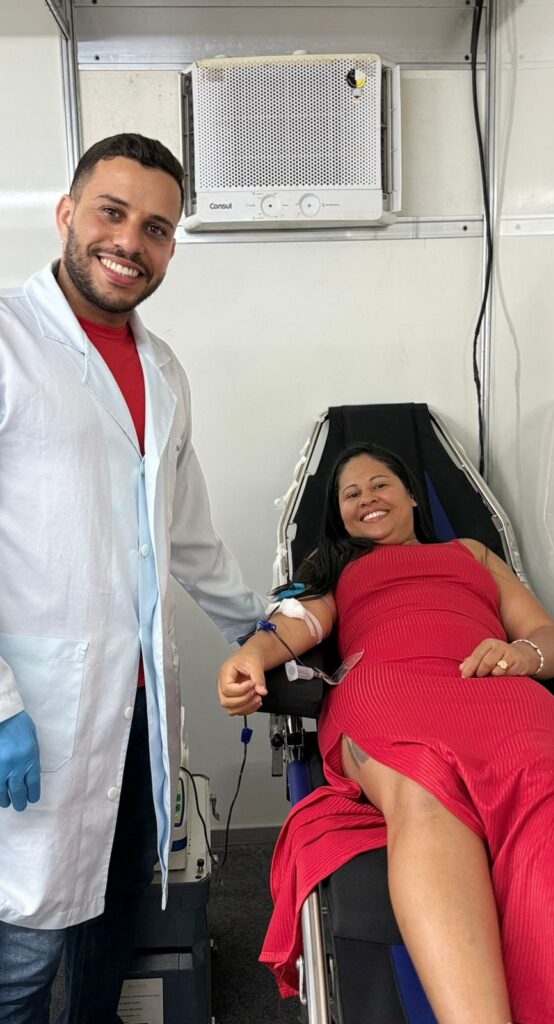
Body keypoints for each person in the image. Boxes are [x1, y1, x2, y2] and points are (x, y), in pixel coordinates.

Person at [0, 132, 264, 1024]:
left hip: (138, 706)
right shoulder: (8, 339)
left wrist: (263, 628)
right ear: (67, 213)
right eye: (111, 213)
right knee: (22, 954)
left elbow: (186, 536)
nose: (130, 242)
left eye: (156, 228)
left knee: (115, 915)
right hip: (33, 711)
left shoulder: (163, 368)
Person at [218, 442, 554, 1024]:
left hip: (494, 687)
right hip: (389, 688)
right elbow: (298, 620)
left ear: (411, 495)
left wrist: (522, 655)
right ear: (341, 515)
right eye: (351, 494)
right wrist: (252, 657)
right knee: (424, 791)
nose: (367, 499)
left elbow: (546, 636)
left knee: (549, 800)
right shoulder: (336, 563)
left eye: (379, 484)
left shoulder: (472, 553)